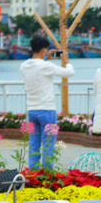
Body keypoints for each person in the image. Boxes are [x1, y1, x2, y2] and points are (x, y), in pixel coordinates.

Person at [20, 34, 75, 169]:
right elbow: (70, 73)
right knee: (49, 144)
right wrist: (66, 61)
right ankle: (47, 174)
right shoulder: (46, 66)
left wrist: (46, 58)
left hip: (31, 110)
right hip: (47, 110)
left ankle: (33, 174)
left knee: (34, 144)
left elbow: (38, 65)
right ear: (44, 49)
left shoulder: (24, 66)